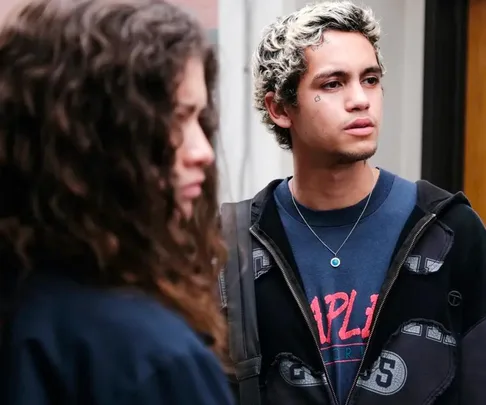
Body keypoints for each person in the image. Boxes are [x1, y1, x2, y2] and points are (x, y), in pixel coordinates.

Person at [220, 2, 486, 405]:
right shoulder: (234, 245)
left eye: (371, 79)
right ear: (279, 108)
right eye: (333, 83)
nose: (361, 99)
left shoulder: (449, 230)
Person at [0, 0, 234, 404]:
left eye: (200, 120)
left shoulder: (23, 305)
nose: (203, 152)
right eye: (177, 118)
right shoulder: (150, 357)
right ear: (93, 140)